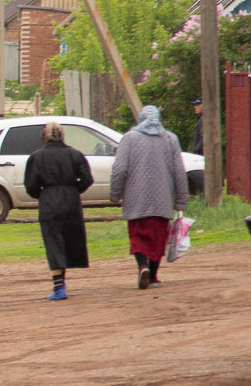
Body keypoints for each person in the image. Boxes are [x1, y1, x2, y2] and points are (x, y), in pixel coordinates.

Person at [108, 104, 189, 291]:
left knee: (138, 236)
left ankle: (142, 266)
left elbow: (119, 169)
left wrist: (115, 194)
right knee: (158, 238)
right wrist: (180, 201)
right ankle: (153, 275)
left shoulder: (129, 138)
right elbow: (179, 172)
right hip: (162, 200)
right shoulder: (170, 139)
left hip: (136, 199)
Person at [22, 121, 93, 300]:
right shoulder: (75, 154)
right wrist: (75, 189)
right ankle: (61, 282)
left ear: (44, 136)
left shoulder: (36, 157)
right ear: (62, 135)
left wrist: (43, 195)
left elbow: (30, 185)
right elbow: (87, 179)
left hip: (49, 200)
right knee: (70, 239)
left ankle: (58, 285)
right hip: (71, 200)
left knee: (53, 241)